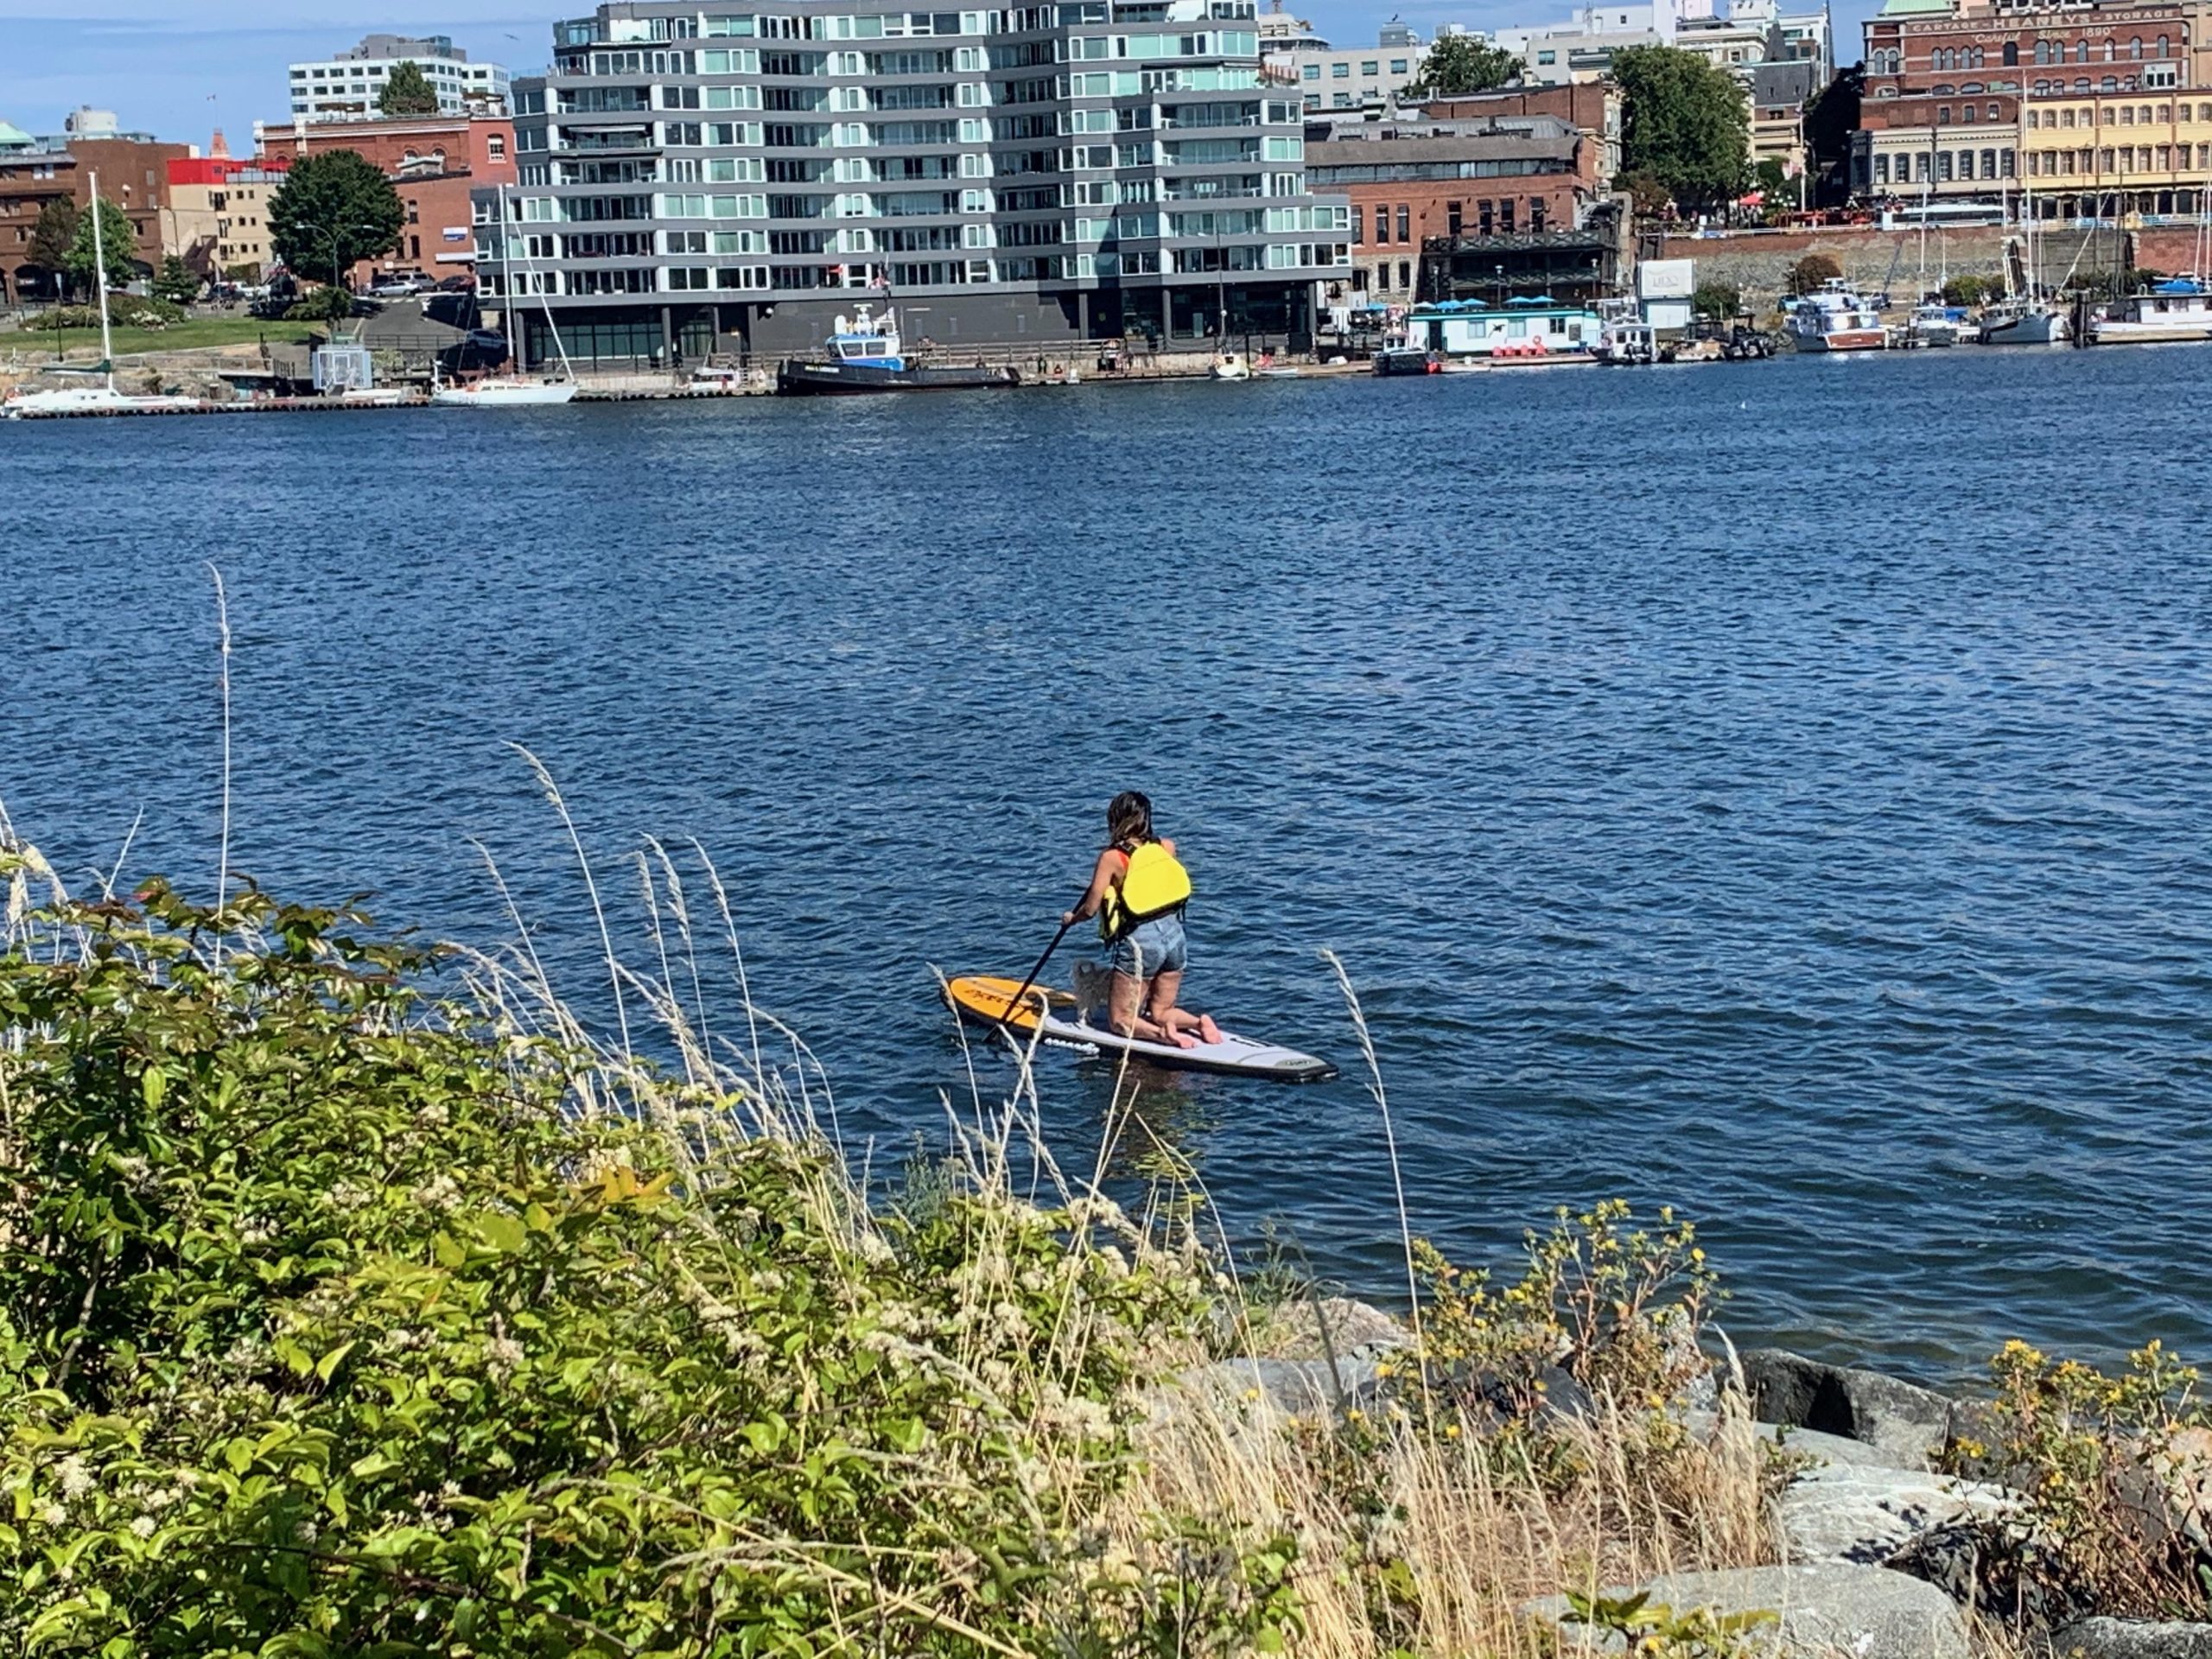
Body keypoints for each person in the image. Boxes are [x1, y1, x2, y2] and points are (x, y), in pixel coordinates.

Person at [1061, 791, 1223, 1050]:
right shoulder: (1166, 846)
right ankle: (1197, 1022)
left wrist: (1071, 919)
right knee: (1160, 1010)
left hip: (1141, 942)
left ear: (1115, 819)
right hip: (1175, 936)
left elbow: (1090, 908)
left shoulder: (1112, 858)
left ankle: (1166, 1037)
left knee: (1121, 1020)